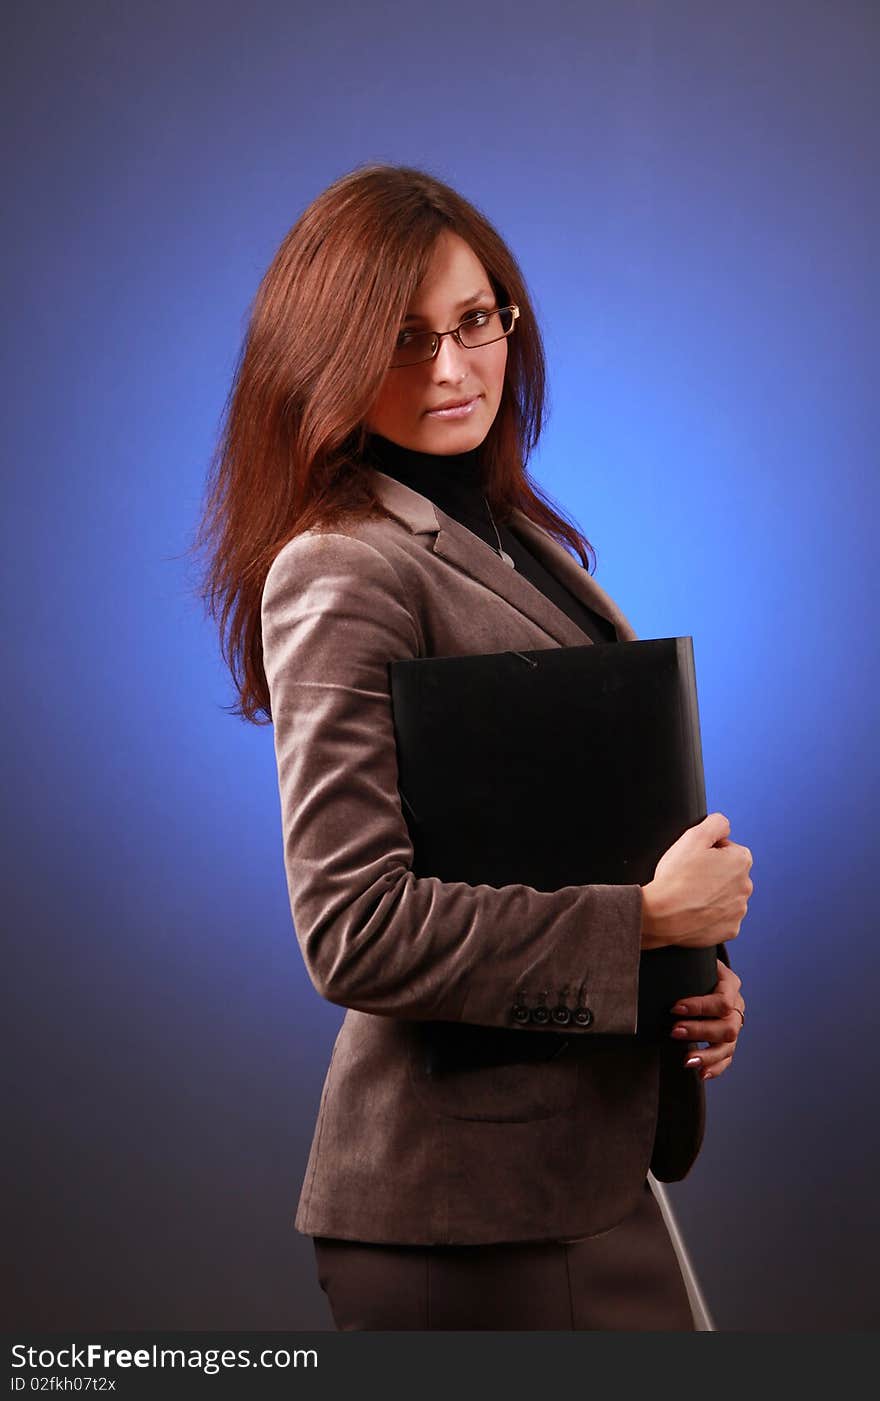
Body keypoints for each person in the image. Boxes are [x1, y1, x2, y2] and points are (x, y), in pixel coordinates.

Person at [193, 162, 752, 1330]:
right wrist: (642, 924)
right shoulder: (343, 565)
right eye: (402, 339)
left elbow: (555, 825)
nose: (452, 368)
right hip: (462, 1218)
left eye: (473, 321)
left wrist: (682, 983)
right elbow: (356, 928)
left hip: (577, 1178)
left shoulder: (506, 533)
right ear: (329, 356)